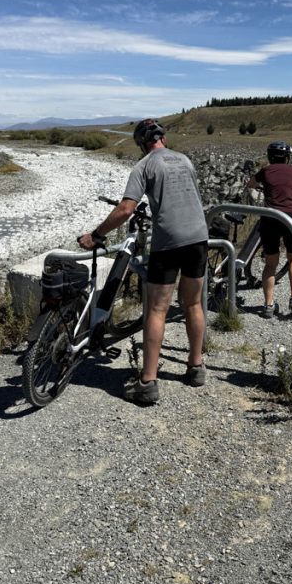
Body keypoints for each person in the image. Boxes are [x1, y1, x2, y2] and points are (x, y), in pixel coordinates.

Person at [78, 118, 208, 405]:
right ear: (162, 138)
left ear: (141, 143)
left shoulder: (145, 165)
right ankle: (196, 367)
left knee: (158, 310)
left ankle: (148, 382)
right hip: (199, 236)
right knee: (193, 304)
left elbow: (126, 209)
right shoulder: (185, 160)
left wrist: (96, 234)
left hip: (170, 241)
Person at [246, 141, 292, 318]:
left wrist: (263, 187)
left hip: (270, 218)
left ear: (269, 156)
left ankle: (268, 306)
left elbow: (250, 184)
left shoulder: (265, 171)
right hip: (291, 218)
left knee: (270, 264)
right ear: (287, 157)